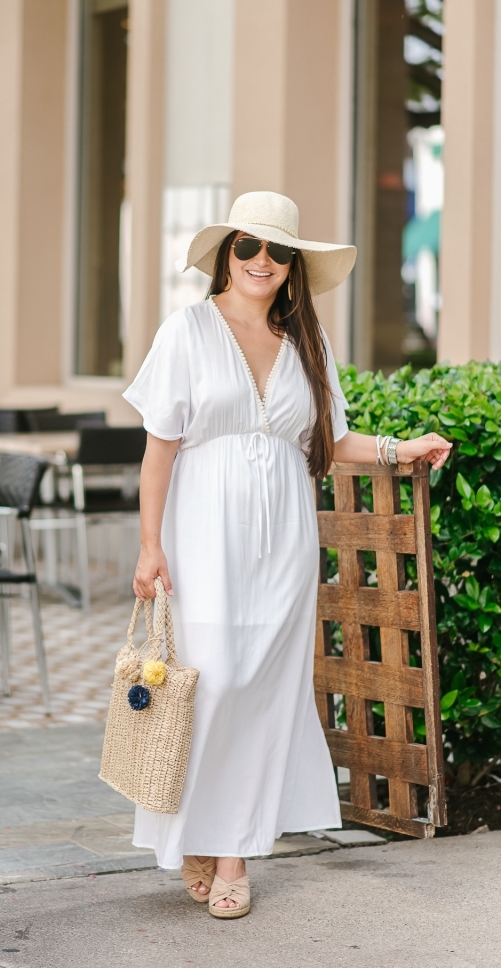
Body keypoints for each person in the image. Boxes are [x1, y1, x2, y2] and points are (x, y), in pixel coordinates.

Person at [122, 192, 451, 919]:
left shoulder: (308, 340)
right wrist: (149, 545)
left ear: (293, 265)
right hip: (202, 535)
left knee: (266, 691)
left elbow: (327, 440)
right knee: (214, 681)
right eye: (248, 245)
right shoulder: (187, 331)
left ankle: (232, 852)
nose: (261, 260)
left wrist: (402, 448)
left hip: (286, 544)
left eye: (277, 250)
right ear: (226, 254)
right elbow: (159, 448)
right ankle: (195, 831)